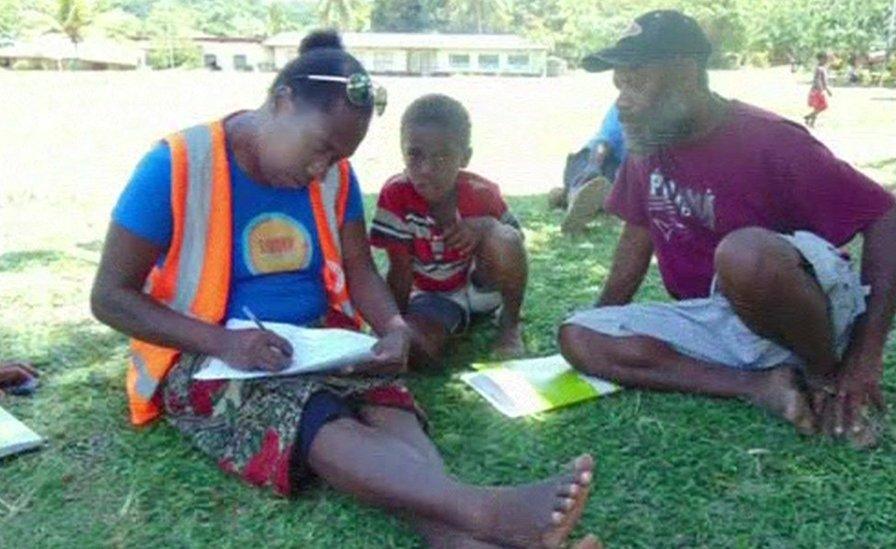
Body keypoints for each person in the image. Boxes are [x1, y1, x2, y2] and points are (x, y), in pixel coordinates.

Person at [91, 31, 597, 548]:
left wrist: (392, 327)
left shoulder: (336, 176)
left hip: (320, 341)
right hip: (212, 353)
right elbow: (109, 296)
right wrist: (223, 343)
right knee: (311, 412)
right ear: (282, 102)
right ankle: (488, 511)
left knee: (388, 404)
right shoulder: (176, 164)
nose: (321, 170)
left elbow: (359, 269)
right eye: (319, 149)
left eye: (336, 159)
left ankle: (465, 541)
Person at [558, 11, 896, 448]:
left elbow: (891, 221)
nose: (622, 102)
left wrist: (865, 355)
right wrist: (604, 319)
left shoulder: (770, 139)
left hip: (806, 315)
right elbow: (638, 233)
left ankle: (824, 378)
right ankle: (762, 386)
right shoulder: (649, 143)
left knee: (742, 255)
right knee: (577, 336)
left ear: (685, 74)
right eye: (619, 85)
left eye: (636, 81)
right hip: (720, 322)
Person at [370, 94, 528, 363]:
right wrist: (392, 327)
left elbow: (514, 246)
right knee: (418, 350)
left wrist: (486, 227)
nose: (426, 169)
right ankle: (439, 325)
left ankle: (510, 324)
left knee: (503, 238)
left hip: (483, 287)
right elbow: (400, 271)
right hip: (434, 297)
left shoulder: (482, 194)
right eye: (414, 154)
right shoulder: (395, 195)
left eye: (442, 157)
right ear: (402, 151)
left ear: (464, 157)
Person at [549, 105, 627, 232]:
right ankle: (575, 199)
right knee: (591, 178)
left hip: (623, 175)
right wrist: (594, 167)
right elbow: (603, 142)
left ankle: (565, 198)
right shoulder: (624, 105)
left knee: (610, 191)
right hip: (598, 159)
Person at [804, 52, 832, 128]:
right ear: (820, 59)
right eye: (825, 58)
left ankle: (810, 121)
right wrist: (824, 90)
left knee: (818, 107)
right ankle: (809, 118)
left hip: (819, 90)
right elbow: (818, 80)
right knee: (822, 106)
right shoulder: (819, 69)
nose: (826, 60)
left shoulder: (823, 68)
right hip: (817, 90)